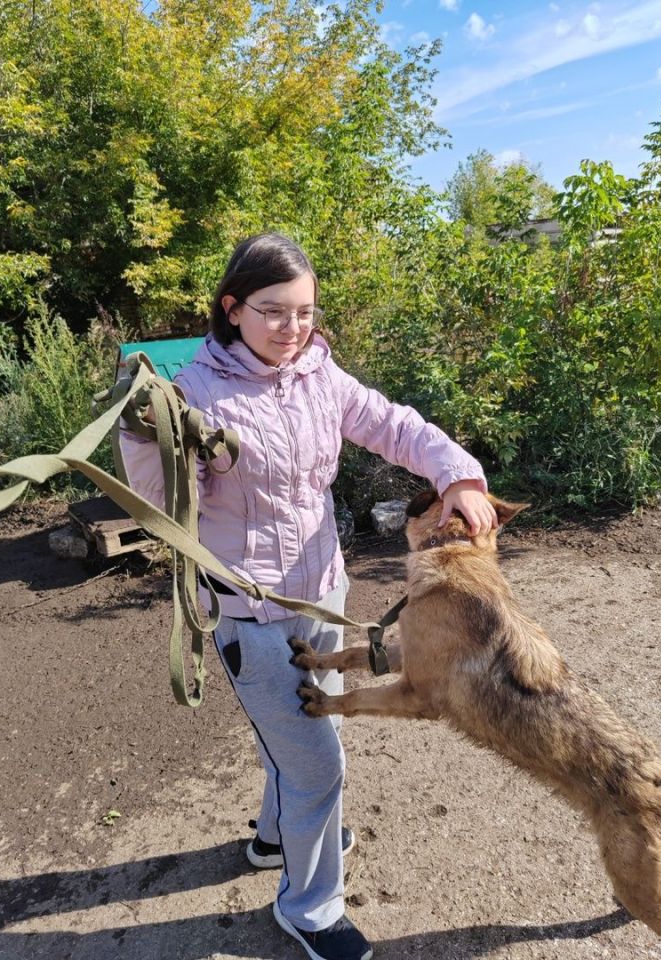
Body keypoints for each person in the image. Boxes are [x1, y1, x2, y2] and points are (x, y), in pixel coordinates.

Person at [120, 232, 496, 960]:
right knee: (318, 761)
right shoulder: (190, 394)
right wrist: (155, 443)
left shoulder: (319, 374)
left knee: (307, 741)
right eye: (273, 312)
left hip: (324, 592)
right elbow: (167, 512)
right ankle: (311, 908)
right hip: (249, 614)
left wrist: (458, 475)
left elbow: (394, 425)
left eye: (305, 312)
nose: (293, 328)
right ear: (232, 309)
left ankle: (272, 838)